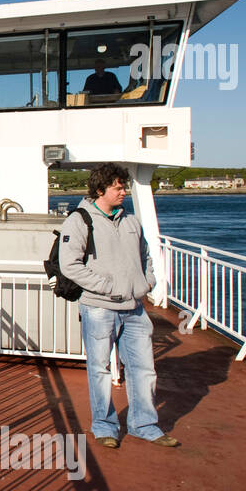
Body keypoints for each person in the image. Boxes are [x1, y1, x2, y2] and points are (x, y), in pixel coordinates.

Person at [58, 162, 179, 449]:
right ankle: (105, 426)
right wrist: (108, 287)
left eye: (124, 186)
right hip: (99, 307)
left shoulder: (131, 221)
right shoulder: (79, 220)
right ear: (100, 189)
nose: (124, 191)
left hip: (134, 307)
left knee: (143, 368)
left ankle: (144, 425)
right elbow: (69, 265)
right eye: (118, 187)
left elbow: (146, 255)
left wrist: (145, 283)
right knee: (99, 369)